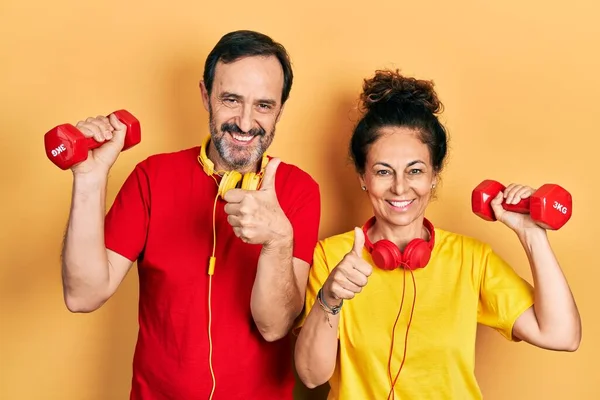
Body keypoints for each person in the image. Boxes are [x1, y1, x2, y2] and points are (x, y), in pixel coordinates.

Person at [60, 30, 321, 399]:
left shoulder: (298, 190)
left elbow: (274, 327)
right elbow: (82, 295)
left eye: (264, 105)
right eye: (231, 100)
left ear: (280, 108)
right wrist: (89, 178)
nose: (246, 123)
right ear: (205, 95)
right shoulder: (152, 177)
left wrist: (278, 240)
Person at [293, 68, 581, 399]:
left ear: (434, 175)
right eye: (383, 171)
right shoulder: (331, 257)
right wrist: (329, 299)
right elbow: (312, 376)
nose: (400, 187)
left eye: (415, 170)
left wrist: (532, 235)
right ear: (363, 177)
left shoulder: (472, 260)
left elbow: (562, 335)